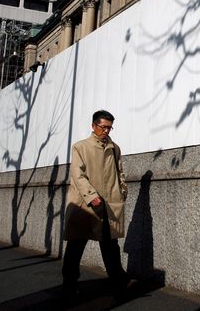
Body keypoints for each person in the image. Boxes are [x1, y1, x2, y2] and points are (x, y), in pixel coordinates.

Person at [62, 110, 129, 297]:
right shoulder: (80, 147)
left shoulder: (115, 148)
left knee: (110, 246)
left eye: (109, 127)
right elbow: (78, 175)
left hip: (109, 204)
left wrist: (122, 191)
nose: (106, 131)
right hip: (85, 205)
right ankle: (69, 284)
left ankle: (117, 281)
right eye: (103, 127)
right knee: (76, 246)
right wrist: (92, 196)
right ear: (93, 126)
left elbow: (120, 172)